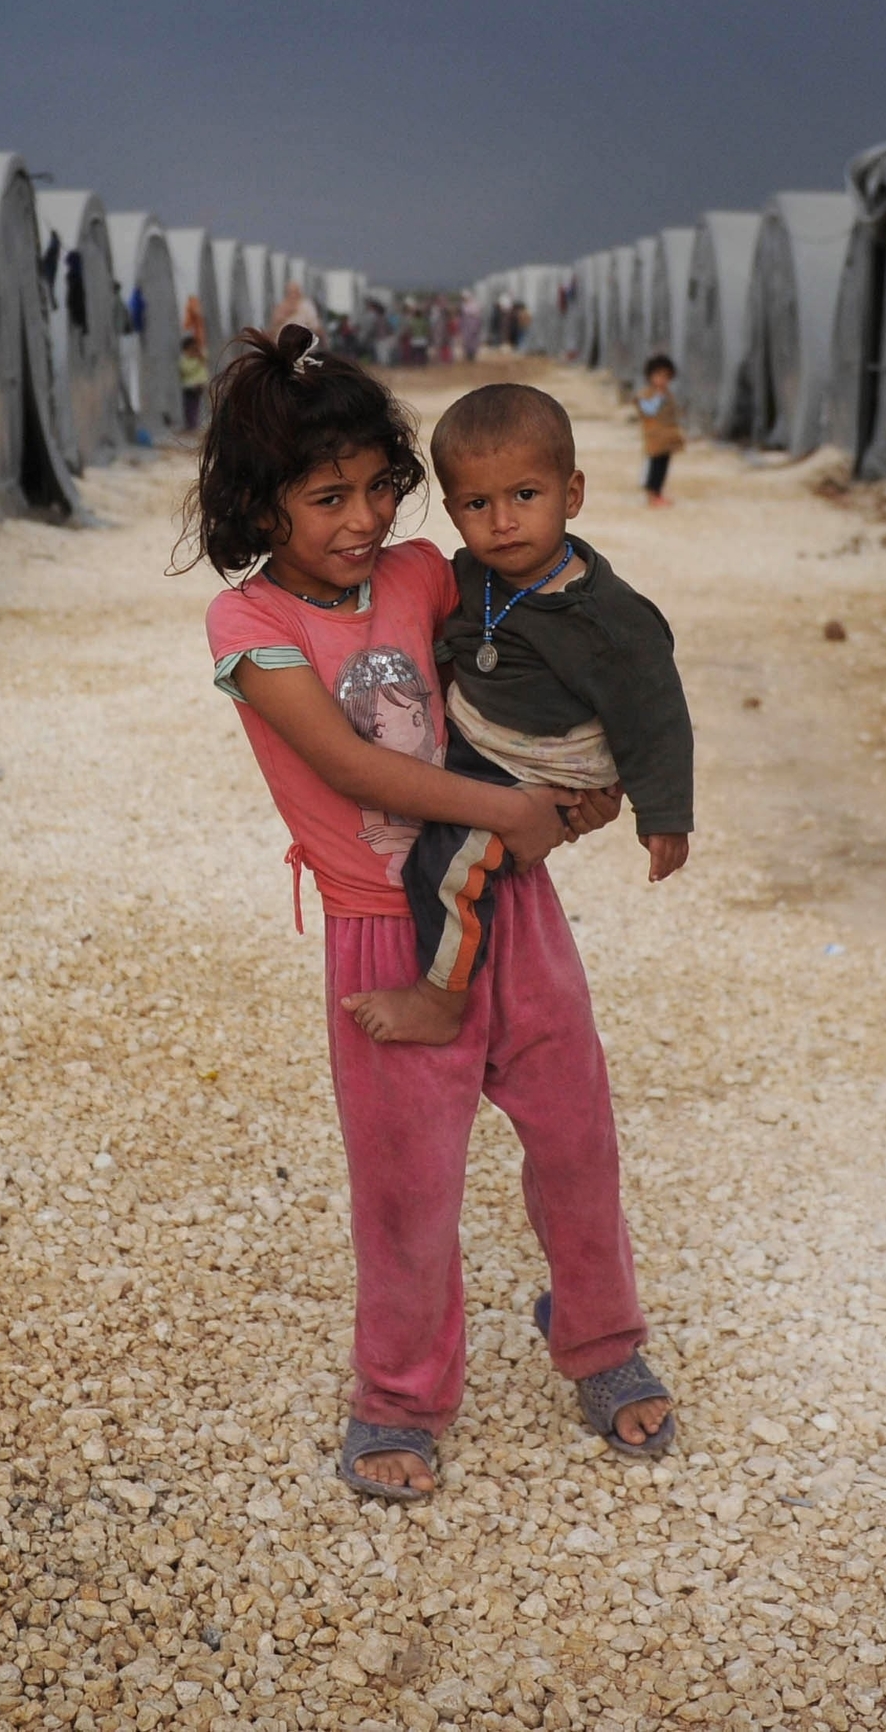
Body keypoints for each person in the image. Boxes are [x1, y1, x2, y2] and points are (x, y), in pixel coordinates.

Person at [193, 325, 678, 1501]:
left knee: (575, 1135)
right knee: (408, 1183)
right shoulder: (251, 630)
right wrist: (514, 808)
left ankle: (603, 1342)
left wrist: (596, 776)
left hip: (515, 909)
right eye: (326, 499)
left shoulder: (425, 577)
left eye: (378, 489)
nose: (364, 521)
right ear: (263, 511)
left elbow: (561, 615)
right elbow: (353, 771)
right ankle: (400, 1396)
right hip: (384, 930)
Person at [341, 383, 689, 1034]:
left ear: (572, 494)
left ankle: (441, 1002)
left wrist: (662, 812)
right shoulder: (475, 576)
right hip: (486, 744)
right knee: (433, 829)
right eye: (478, 504)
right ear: (453, 510)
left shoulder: (604, 616)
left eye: (525, 496)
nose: (503, 521)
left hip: (537, 763)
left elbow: (656, 712)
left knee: (446, 866)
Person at [634, 353, 684, 507]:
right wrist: (659, 398)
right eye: (659, 375)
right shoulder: (646, 394)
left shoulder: (668, 395)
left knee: (663, 467)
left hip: (667, 440)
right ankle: (651, 494)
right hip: (654, 438)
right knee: (654, 467)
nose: (662, 380)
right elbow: (649, 410)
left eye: (666, 376)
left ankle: (658, 494)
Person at [178, 333, 209, 432]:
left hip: (199, 385)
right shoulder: (184, 359)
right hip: (189, 386)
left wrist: (199, 355)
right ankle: (190, 424)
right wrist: (197, 362)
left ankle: (195, 424)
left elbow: (206, 357)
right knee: (189, 405)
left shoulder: (198, 357)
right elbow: (186, 370)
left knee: (197, 404)